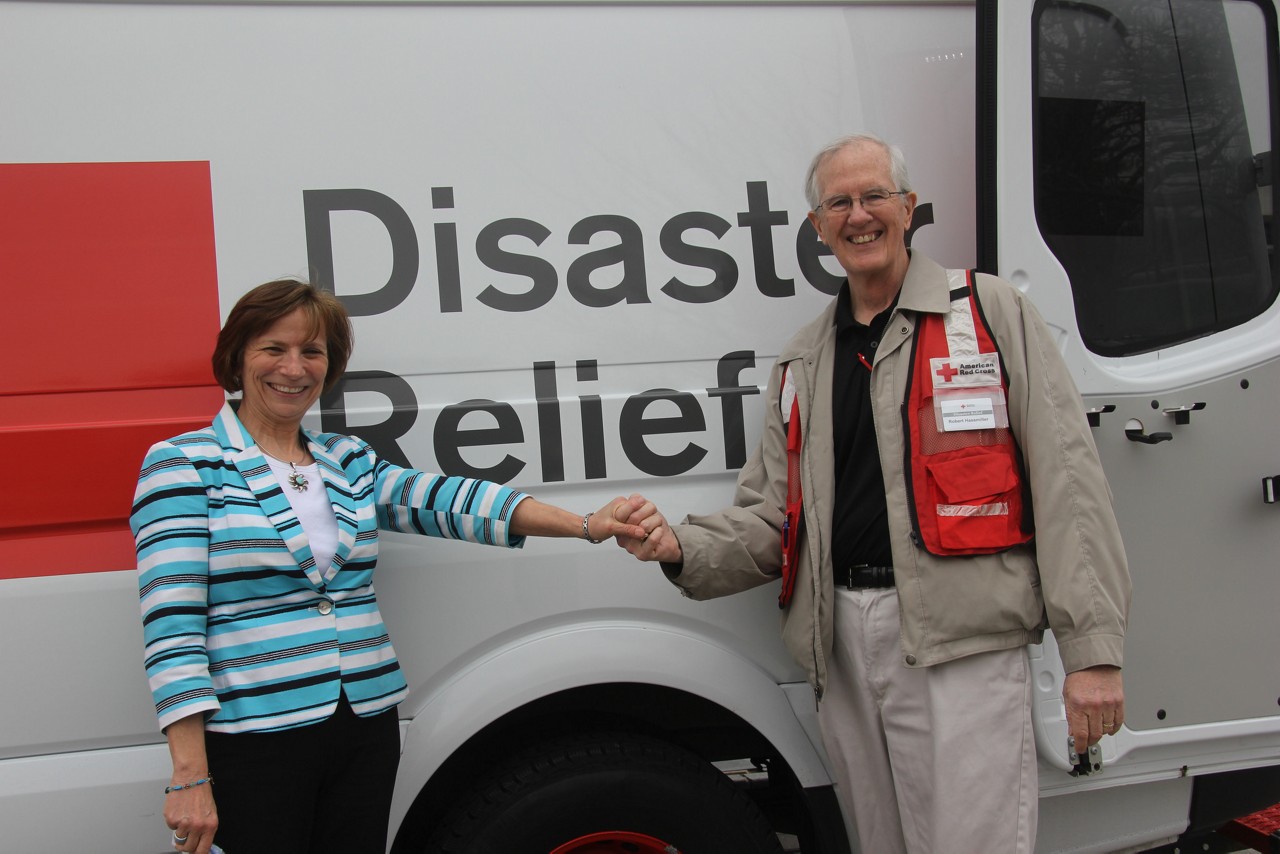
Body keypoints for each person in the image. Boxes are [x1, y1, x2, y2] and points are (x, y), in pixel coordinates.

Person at [613, 133, 1131, 853]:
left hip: (964, 645)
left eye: (874, 197)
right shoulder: (805, 359)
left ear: (910, 208)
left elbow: (1068, 482)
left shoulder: (988, 313)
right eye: (839, 203)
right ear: (817, 227)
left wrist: (1093, 652)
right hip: (845, 650)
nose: (859, 216)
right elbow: (773, 518)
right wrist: (681, 546)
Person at [131, 278, 646, 854]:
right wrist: (191, 775)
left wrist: (585, 523)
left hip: (363, 726)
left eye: (312, 351)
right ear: (237, 358)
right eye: (273, 349)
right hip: (254, 737)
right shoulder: (183, 465)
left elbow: (451, 501)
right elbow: (172, 629)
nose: (293, 368)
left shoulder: (345, 460)